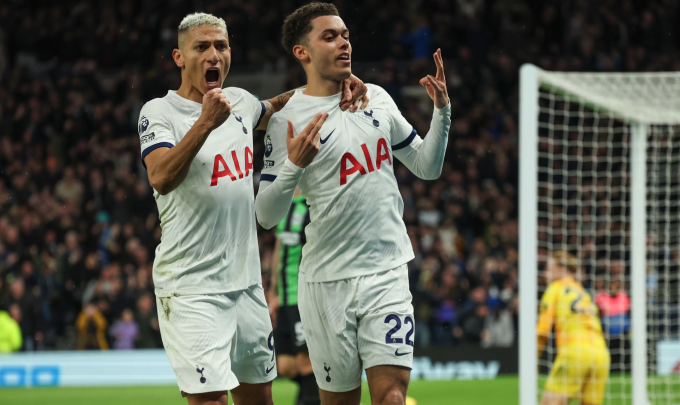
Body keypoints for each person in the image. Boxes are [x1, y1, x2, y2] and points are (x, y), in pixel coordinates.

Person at [138, 12, 367, 405]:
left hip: (246, 287)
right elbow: (160, 176)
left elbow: (283, 104)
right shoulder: (159, 112)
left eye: (221, 46)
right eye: (202, 47)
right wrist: (205, 123)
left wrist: (337, 85)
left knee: (260, 399)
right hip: (191, 289)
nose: (214, 55)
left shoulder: (240, 102)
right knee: (210, 400)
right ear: (179, 57)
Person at [255, 3, 451, 404]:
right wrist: (293, 164)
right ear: (301, 52)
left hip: (386, 273)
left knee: (392, 397)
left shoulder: (374, 98)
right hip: (325, 283)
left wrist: (442, 112)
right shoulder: (285, 120)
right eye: (329, 36)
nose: (343, 42)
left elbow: (427, 167)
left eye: (344, 34)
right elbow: (266, 216)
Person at [267, 188, 319, 405]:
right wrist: (273, 291)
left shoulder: (312, 205)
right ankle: (323, 393)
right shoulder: (284, 205)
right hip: (285, 297)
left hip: (302, 298)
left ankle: (312, 399)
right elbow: (279, 249)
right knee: (286, 365)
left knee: (305, 361)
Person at [537, 251, 610, 405]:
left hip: (574, 352)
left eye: (549, 268)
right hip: (601, 355)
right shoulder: (583, 292)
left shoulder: (555, 288)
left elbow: (542, 332)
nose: (545, 273)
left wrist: (533, 360)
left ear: (562, 270)